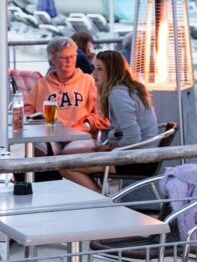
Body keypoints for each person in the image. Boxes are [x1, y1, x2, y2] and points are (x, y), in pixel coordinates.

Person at [60, 50, 159, 191]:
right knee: (63, 156)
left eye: (99, 69)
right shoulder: (127, 89)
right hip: (139, 153)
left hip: (136, 159)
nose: (93, 74)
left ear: (112, 71)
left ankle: (101, 203)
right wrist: (109, 146)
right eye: (94, 68)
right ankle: (97, 199)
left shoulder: (118, 94)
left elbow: (133, 137)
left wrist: (112, 149)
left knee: (64, 166)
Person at [25, 37, 109, 154]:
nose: (70, 61)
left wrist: (86, 126)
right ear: (52, 60)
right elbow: (27, 113)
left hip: (80, 136)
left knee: (68, 155)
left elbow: (103, 115)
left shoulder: (88, 81)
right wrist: (38, 125)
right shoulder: (41, 85)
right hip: (50, 137)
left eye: (73, 56)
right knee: (36, 149)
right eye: (64, 58)